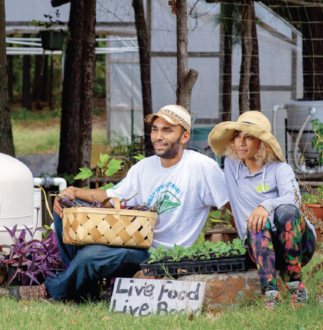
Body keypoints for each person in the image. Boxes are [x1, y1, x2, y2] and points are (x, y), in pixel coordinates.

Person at [10, 104, 229, 301]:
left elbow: (230, 205)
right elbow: (111, 196)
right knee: (66, 209)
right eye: (155, 129)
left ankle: (53, 290)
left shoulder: (201, 167)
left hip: (161, 254)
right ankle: (81, 290)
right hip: (131, 238)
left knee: (91, 255)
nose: (158, 136)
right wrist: (73, 191)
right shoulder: (145, 167)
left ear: (184, 137)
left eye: (167, 130)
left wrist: (245, 244)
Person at [208, 111, 316, 309]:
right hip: (259, 244)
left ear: (263, 143)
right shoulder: (232, 165)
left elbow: (294, 198)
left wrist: (266, 205)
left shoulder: (280, 169)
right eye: (237, 136)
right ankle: (271, 296)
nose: (241, 142)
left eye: (248, 137)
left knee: (285, 211)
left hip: (298, 245)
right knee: (256, 223)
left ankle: (296, 286)